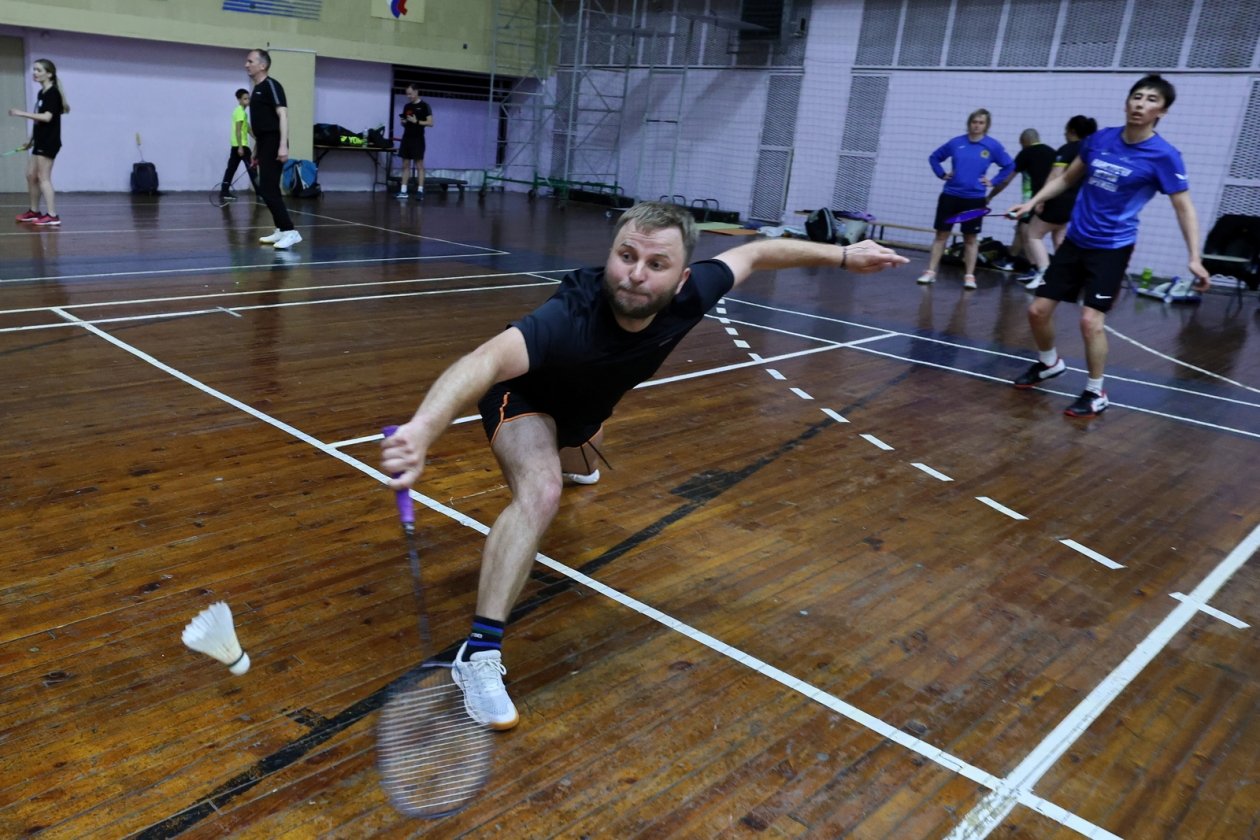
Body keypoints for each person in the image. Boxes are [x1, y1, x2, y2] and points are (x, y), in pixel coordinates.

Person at [380, 202, 908, 729]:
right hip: (522, 399)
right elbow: (485, 361)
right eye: (626, 255)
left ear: (682, 279)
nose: (635, 274)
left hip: (585, 415)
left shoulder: (696, 293)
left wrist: (844, 256)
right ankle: (479, 652)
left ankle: (575, 451)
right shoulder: (570, 315)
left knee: (584, 460)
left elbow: (757, 252)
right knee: (541, 493)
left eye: (656, 264)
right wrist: (423, 428)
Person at [1007, 75, 1209, 418]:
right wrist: (1031, 202)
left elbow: (1184, 207)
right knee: (1037, 311)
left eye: (1151, 100)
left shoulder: (1164, 156)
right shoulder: (1099, 140)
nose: (1140, 104)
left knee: (1090, 321)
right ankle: (1049, 364)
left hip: (1112, 248)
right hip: (1075, 241)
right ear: (1126, 102)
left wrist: (1194, 257)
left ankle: (1095, 391)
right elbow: (1067, 178)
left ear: (1162, 111)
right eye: (1137, 96)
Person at [918, 109, 1014, 290]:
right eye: (974, 122)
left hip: (974, 199)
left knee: (970, 238)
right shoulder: (956, 143)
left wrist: (993, 181)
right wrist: (941, 174)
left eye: (981, 123)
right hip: (950, 196)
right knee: (941, 236)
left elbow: (1009, 165)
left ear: (986, 126)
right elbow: (934, 157)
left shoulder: (992, 146)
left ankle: (969, 276)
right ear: (969, 123)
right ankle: (930, 272)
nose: (977, 126)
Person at [1015, 115, 1098, 288]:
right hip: (1074, 205)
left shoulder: (1067, 149)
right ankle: (1067, 278)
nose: (1064, 134)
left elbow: (1055, 176)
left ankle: (1044, 273)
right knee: (1059, 237)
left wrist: (1040, 200)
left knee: (1033, 234)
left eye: (1066, 130)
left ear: (1072, 131)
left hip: (1057, 201)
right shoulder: (1090, 151)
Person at [245, 49, 301, 250]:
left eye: (250, 61)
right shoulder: (256, 89)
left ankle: (290, 231)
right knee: (268, 188)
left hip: (275, 142)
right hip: (264, 143)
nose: (246, 65)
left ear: (263, 65)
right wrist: (255, 150)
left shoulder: (272, 85)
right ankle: (281, 229)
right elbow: (261, 125)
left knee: (268, 189)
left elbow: (282, 115)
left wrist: (283, 144)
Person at [987, 128, 1056, 273]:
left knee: (1028, 233)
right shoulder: (1052, 152)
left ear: (1024, 142)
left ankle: (1036, 269)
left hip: (1032, 201)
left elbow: (1006, 180)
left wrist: (990, 196)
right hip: (1050, 199)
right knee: (1021, 229)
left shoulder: (1026, 153)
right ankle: (1011, 261)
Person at [9, 59, 69, 227]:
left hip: (49, 141)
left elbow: (47, 117)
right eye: (34, 69)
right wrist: (30, 139)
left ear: (49, 74)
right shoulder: (42, 93)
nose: (34, 73)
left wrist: (21, 113)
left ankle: (52, 215)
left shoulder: (52, 93)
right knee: (31, 175)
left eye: (38, 70)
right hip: (40, 140)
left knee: (43, 177)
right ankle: (34, 211)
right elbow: (38, 121)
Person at [218, 88, 258, 202]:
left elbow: (247, 128)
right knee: (252, 169)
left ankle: (224, 191)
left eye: (248, 98)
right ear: (239, 100)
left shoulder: (242, 112)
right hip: (241, 146)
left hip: (237, 146)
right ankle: (261, 193)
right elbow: (238, 131)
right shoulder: (240, 112)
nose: (248, 101)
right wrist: (240, 147)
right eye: (245, 99)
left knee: (231, 169)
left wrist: (256, 137)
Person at [395, 84, 433, 200]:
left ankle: (420, 190)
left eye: (410, 94)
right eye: (407, 94)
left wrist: (416, 121)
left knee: (419, 165)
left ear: (416, 92)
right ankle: (403, 191)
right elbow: (404, 121)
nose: (409, 96)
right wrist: (403, 122)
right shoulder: (407, 106)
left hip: (418, 139)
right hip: (407, 138)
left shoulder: (425, 106)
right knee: (405, 164)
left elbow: (430, 123)